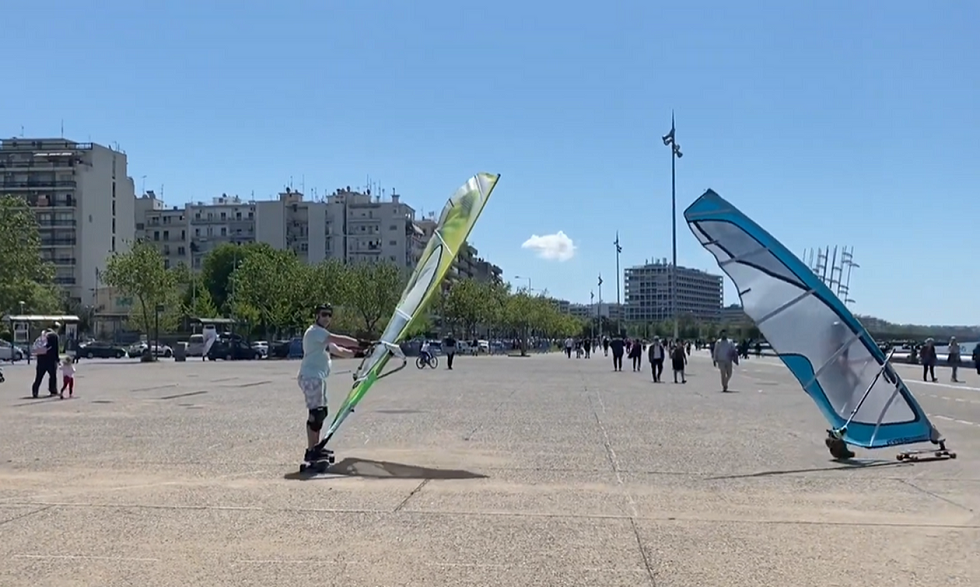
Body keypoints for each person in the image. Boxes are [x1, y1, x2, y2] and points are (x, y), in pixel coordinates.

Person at [297, 304, 360, 463]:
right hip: (311, 377)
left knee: (321, 412)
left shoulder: (323, 337)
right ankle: (311, 451)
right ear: (317, 315)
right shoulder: (315, 332)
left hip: (318, 378)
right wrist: (359, 342)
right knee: (316, 414)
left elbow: (339, 350)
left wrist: (361, 352)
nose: (327, 318)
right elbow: (337, 339)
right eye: (324, 314)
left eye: (329, 315)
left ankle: (316, 448)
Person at [31, 323, 61, 398]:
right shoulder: (54, 336)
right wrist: (57, 359)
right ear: (56, 328)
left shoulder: (43, 335)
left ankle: (35, 391)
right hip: (50, 360)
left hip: (41, 359)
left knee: (39, 377)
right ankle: (53, 390)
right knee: (52, 376)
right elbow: (56, 349)